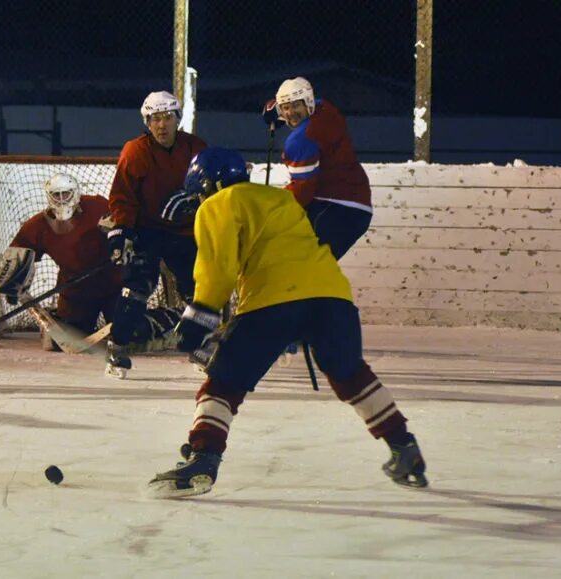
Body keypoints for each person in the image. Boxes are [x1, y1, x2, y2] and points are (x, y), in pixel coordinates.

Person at [148, 148, 427, 498]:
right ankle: (404, 447)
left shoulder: (216, 205)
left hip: (273, 300)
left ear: (206, 185)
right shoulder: (282, 199)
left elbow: (218, 270)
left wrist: (198, 317)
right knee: (351, 375)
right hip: (332, 296)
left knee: (223, 383)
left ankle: (204, 457)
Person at [0, 173, 180, 354]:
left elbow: (126, 227)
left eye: (65, 194)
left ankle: (172, 317)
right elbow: (19, 253)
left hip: (114, 287)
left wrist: (124, 241)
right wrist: (12, 283)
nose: (61, 199)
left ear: (75, 193)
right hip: (76, 293)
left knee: (131, 333)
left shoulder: (98, 207)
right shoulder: (38, 226)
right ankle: (60, 315)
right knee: (58, 341)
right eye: (56, 195)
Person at [105, 91, 207, 377]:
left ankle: (198, 344)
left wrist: (195, 204)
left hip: (186, 230)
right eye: (155, 119)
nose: (161, 125)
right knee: (136, 287)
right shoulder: (135, 151)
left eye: (167, 118)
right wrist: (121, 232)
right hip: (147, 229)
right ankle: (118, 348)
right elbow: (122, 196)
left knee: (200, 288)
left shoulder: (196, 148)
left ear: (178, 119)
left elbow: (212, 190)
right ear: (147, 123)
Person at [263, 77, 372, 260]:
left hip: (338, 208)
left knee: (301, 264)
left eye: (296, 106)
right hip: (353, 204)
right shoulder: (326, 110)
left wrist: (271, 205)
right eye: (286, 107)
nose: (291, 113)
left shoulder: (301, 139)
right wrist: (277, 109)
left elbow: (302, 192)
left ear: (308, 104)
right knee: (311, 269)